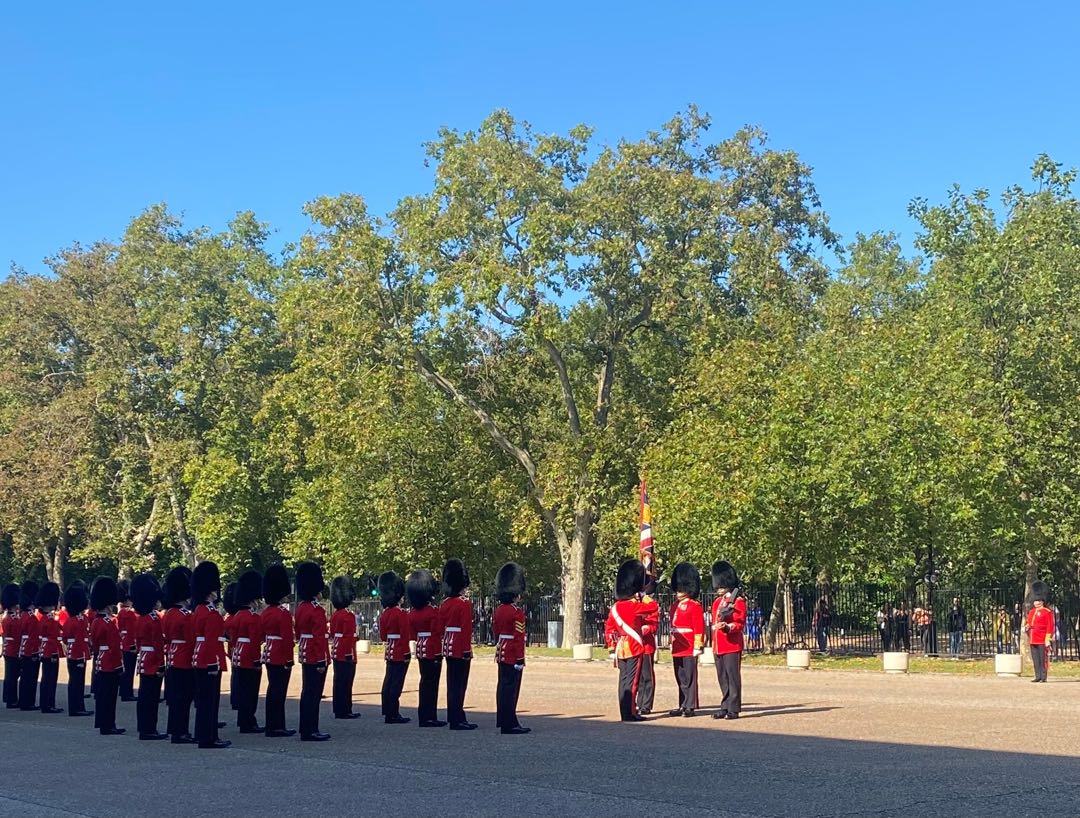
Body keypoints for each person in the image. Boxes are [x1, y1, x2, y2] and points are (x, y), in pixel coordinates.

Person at [191, 561, 230, 749]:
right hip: (209, 660)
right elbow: (212, 641)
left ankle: (202, 733)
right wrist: (214, 664)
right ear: (211, 591)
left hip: (198, 658)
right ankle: (209, 737)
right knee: (210, 701)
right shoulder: (211, 613)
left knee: (204, 699)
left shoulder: (198, 610)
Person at [604, 559, 647, 722]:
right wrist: (642, 596)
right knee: (632, 681)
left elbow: (609, 629)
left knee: (623, 681)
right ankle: (631, 712)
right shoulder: (633, 605)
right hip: (634, 646)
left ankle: (624, 711)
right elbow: (653, 607)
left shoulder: (615, 607)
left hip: (620, 647)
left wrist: (611, 648)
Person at [295, 561, 331, 741]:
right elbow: (319, 638)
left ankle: (305, 728)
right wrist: (321, 660)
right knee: (314, 693)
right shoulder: (316, 610)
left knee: (307, 692)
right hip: (315, 654)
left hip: (305, 652)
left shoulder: (301, 608)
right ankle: (311, 729)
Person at [440, 559, 477, 730]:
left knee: (452, 683)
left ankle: (454, 715)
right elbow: (465, 629)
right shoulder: (464, 603)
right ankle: (458, 719)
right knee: (459, 684)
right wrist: (465, 650)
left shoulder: (445, 603)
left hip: (448, 645)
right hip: (459, 647)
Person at [261, 564, 296, 738]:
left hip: (269, 653)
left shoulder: (266, 612)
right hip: (280, 655)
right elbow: (287, 639)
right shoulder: (283, 614)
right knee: (279, 691)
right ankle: (277, 726)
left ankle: (271, 725)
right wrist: (289, 660)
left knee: (272, 690)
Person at [407, 568, 446, 728]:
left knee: (424, 682)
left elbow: (412, 633)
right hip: (433, 649)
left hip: (421, 649)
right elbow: (439, 631)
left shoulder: (413, 613)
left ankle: (424, 715)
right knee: (432, 684)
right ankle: (430, 717)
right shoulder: (432, 611)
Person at [493, 562, 529, 734]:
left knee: (502, 687)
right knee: (511, 689)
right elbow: (518, 638)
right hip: (512, 654)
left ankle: (503, 720)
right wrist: (520, 658)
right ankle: (510, 723)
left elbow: (496, 632)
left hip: (501, 651)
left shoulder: (499, 610)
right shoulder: (516, 612)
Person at [162, 566, 196, 744]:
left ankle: (174, 729)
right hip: (185, 660)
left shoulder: (168, 614)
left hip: (172, 658)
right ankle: (181, 732)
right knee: (184, 698)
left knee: (175, 697)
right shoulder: (185, 616)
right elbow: (191, 640)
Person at [131, 573, 167, 740]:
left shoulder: (140, 619)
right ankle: (149, 729)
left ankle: (143, 727)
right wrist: (161, 664)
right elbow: (158, 644)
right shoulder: (153, 619)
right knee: (151, 697)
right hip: (153, 659)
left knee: (145, 695)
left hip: (144, 658)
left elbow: (138, 641)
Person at [667, 562, 704, 717]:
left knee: (690, 676)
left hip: (689, 645)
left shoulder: (694, 606)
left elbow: (699, 627)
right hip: (677, 645)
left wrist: (698, 646)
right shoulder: (674, 606)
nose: (678, 592)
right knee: (680, 676)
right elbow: (672, 626)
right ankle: (682, 703)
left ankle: (691, 705)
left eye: (681, 588)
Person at [89, 576, 124, 735]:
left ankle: (103, 723)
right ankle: (109, 725)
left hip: (101, 660)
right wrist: (119, 666)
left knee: (103, 695)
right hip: (110, 662)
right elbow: (115, 647)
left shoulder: (96, 622)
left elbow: (95, 644)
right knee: (109, 696)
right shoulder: (108, 623)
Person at [711, 560, 745, 720]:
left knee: (733, 677)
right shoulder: (717, 602)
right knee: (722, 677)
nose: (718, 588)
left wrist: (728, 627)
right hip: (718, 645)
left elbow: (739, 623)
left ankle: (734, 708)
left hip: (731, 645)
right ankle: (725, 706)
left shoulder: (738, 601)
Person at [230, 570, 264, 733]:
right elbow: (255, 641)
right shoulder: (253, 617)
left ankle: (242, 720)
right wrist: (256, 660)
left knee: (242, 689)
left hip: (238, 655)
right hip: (249, 657)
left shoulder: (237, 616)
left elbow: (233, 638)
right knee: (251, 691)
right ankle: (249, 721)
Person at [378, 571, 411, 724]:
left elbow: (383, 636)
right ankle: (393, 713)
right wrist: (406, 653)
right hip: (399, 650)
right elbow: (405, 635)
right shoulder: (401, 613)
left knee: (389, 680)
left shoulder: (385, 614)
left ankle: (387, 710)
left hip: (390, 650)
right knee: (396, 683)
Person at [329, 575, 359, 720]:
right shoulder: (348, 615)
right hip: (347, 652)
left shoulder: (335, 615)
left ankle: (338, 709)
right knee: (346, 681)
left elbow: (335, 633)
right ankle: (345, 709)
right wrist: (349, 654)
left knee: (338, 681)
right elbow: (349, 637)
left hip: (336, 650)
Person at [61, 581, 93, 717]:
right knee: (77, 681)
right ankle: (77, 708)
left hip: (72, 652)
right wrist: (81, 656)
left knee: (75, 681)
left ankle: (76, 707)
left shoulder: (71, 620)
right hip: (78, 653)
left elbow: (65, 638)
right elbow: (80, 639)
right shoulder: (80, 620)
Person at [35, 582, 64, 714]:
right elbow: (52, 639)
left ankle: (44, 703)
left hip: (44, 650)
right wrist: (54, 654)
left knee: (46, 678)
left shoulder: (42, 619)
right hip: (50, 651)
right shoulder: (50, 620)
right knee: (50, 679)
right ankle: (48, 704)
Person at [635, 576, 660, 716]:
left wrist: (644, 629)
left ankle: (646, 704)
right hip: (635, 645)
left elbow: (654, 625)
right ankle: (639, 702)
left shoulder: (651, 604)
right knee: (637, 677)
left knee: (647, 676)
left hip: (646, 645)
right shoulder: (634, 603)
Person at [16, 580, 41, 711]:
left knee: (25, 676)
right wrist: (35, 652)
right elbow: (33, 637)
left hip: (24, 648)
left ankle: (23, 701)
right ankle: (28, 702)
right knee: (30, 677)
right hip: (31, 649)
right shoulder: (30, 617)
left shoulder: (23, 615)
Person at [1025, 581, 1054, 683]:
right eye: (1035, 600)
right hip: (1033, 638)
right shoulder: (1032, 612)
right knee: (1036, 659)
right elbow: (1028, 623)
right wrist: (1027, 627)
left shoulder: (1047, 612)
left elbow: (1050, 626)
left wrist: (1047, 639)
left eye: (1038, 600)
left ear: (1042, 601)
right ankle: (1037, 676)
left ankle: (1043, 676)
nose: (1036, 602)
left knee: (1043, 659)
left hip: (1042, 638)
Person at [116, 580, 138, 702]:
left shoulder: (121, 612)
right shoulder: (129, 614)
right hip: (129, 643)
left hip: (123, 642)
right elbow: (131, 631)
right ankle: (127, 692)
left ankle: (123, 691)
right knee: (129, 670)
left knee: (126, 669)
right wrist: (133, 645)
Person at [1, 583, 22, 709]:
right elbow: (17, 635)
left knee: (10, 675)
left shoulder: (7, 617)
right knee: (12, 675)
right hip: (13, 648)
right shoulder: (12, 619)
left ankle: (9, 698)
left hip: (9, 647)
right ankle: (11, 699)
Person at [221, 581, 240, 711]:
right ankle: (237, 698)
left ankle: (235, 698)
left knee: (236, 673)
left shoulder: (229, 618)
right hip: (239, 647)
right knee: (240, 674)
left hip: (232, 647)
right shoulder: (237, 617)